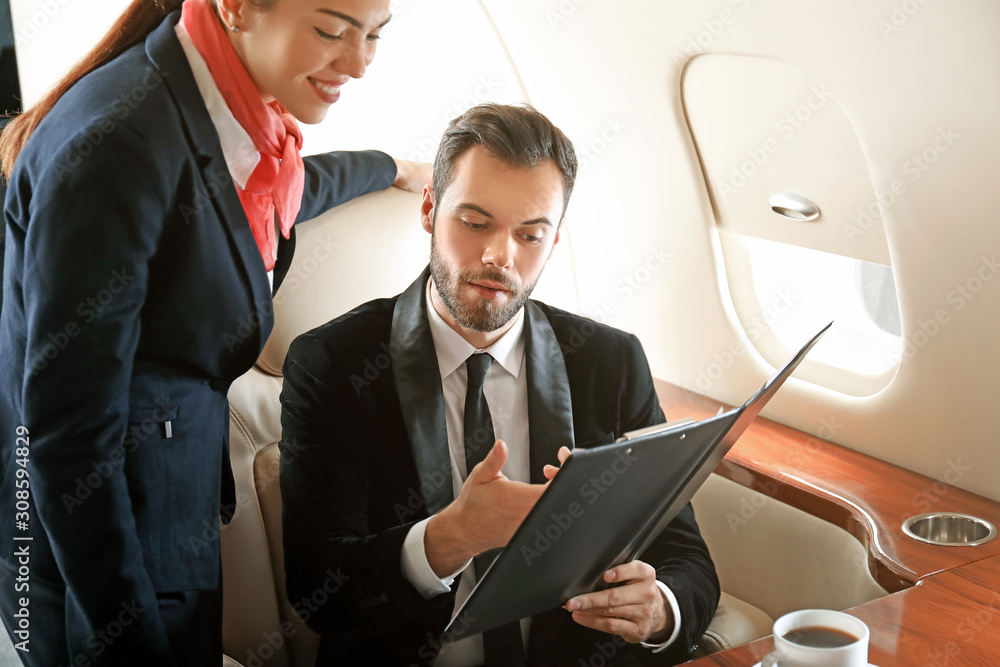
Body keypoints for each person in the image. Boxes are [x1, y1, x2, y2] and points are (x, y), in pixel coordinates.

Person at [0, 0, 428, 664]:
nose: (360, 63)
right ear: (236, 8)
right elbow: (69, 442)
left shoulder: (222, 110)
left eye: (375, 35)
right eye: (332, 29)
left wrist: (389, 166)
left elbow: (245, 203)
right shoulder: (117, 145)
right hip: (98, 558)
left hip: (173, 509)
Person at [279, 103, 720, 666]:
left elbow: (687, 558)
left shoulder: (610, 362)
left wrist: (658, 607)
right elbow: (318, 588)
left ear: (555, 239)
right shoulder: (334, 362)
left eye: (530, 234)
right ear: (430, 209)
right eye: (475, 222)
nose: (498, 257)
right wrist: (450, 538)